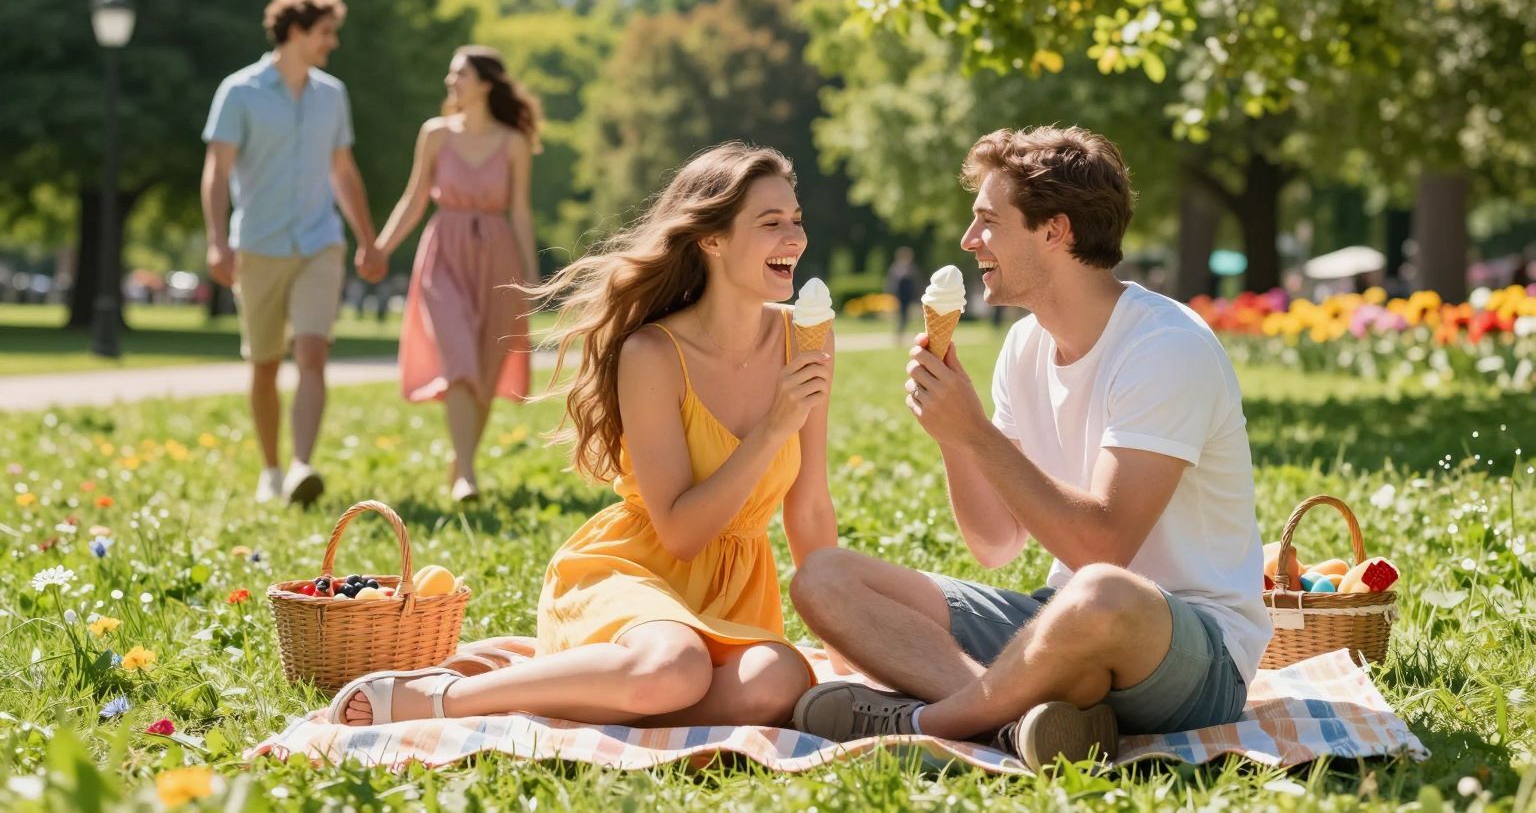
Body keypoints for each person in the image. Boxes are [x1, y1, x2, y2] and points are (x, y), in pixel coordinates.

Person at [788, 126, 1269, 771]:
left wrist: (977, 433)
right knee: (824, 578)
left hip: (1190, 648)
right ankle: (1030, 719)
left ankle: (932, 722)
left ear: (1055, 231)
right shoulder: (1024, 346)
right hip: (1060, 620)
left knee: (1101, 592)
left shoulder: (1165, 347)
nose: (969, 241)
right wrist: (956, 439)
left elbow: (1104, 549)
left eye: (988, 221)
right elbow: (994, 544)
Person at [329, 143, 842, 728]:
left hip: (735, 593)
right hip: (633, 574)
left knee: (779, 683)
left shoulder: (808, 341)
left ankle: (607, 692)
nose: (795, 238)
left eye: (796, 220)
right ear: (712, 238)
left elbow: (811, 507)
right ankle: (444, 699)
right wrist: (774, 428)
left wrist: (847, 652)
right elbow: (680, 533)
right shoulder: (652, 353)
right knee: (675, 667)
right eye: (771, 223)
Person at [201, 0, 383, 506]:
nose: (333, 42)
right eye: (326, 32)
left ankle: (303, 464)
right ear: (297, 32)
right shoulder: (240, 91)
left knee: (312, 351)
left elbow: (343, 172)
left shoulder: (332, 95)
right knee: (263, 363)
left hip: (319, 243)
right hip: (257, 245)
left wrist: (366, 239)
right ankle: (271, 469)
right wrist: (217, 240)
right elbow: (217, 171)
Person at [374, 46, 540, 501]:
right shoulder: (435, 133)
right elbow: (413, 198)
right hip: (444, 253)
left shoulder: (513, 142)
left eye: (459, 74)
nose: (451, 82)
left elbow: (521, 213)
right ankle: (467, 473)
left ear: (485, 83)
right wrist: (381, 247)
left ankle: (462, 460)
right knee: (459, 356)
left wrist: (530, 278)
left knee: (485, 369)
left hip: (497, 257)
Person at [885, 246, 922, 343]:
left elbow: (917, 284)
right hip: (900, 298)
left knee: (913, 318)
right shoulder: (895, 268)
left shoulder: (912, 269)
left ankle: (917, 338)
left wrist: (918, 297)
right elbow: (891, 283)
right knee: (901, 318)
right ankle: (899, 336)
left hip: (911, 297)